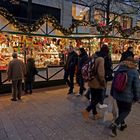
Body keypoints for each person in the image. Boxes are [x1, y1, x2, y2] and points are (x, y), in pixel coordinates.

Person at [110, 57, 140, 137]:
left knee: (121, 109)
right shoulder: (134, 72)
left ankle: (122, 124)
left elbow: (113, 82)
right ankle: (116, 124)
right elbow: (137, 87)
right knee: (127, 110)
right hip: (127, 96)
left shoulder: (119, 69)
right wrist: (137, 97)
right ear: (133, 63)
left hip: (117, 94)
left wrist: (112, 92)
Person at [81, 50, 106, 121]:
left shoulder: (92, 58)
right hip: (97, 82)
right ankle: (86, 110)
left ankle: (95, 114)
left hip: (91, 81)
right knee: (98, 98)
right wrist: (103, 82)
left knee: (93, 98)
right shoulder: (100, 59)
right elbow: (100, 73)